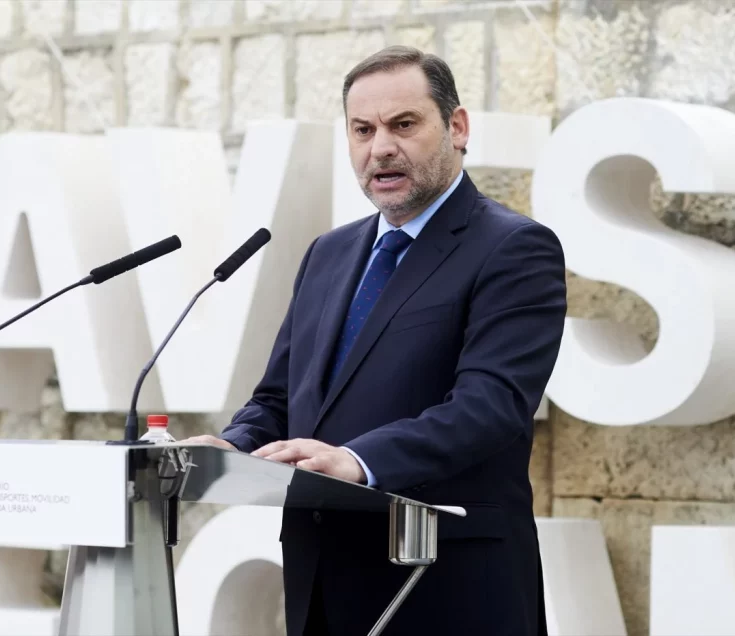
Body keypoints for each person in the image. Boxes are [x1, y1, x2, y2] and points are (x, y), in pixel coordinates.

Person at [185, 45, 566, 636]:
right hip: (320, 582)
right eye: (362, 129)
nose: (380, 147)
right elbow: (279, 398)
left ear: (457, 128)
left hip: (444, 584)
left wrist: (360, 462)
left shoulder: (513, 248)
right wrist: (233, 449)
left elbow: (490, 407)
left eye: (404, 125)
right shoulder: (329, 253)